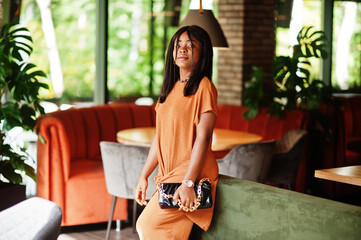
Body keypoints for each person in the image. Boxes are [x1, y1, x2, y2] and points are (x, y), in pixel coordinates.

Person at [135, 25, 218, 240]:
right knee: (166, 234)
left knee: (147, 225)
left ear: (203, 53)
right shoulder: (169, 90)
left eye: (191, 45)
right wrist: (144, 175)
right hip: (170, 175)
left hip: (191, 172)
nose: (183, 49)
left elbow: (203, 138)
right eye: (178, 45)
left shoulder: (204, 86)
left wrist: (188, 182)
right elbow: (159, 138)